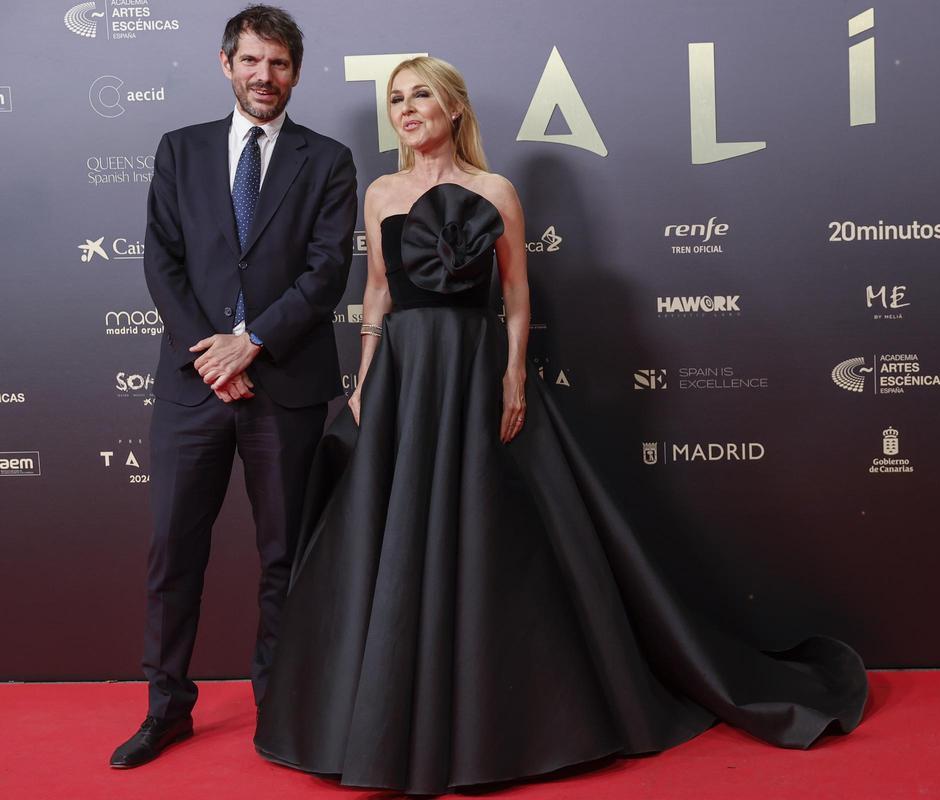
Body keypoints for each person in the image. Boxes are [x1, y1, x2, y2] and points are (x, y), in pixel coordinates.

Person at [253, 56, 867, 794]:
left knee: (493, 532)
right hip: (407, 376)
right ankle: (389, 709)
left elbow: (515, 292)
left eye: (421, 96)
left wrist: (513, 375)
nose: (406, 109)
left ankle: (504, 717)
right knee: (392, 529)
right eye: (396, 99)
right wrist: (365, 374)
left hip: (477, 370)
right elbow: (377, 291)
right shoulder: (380, 191)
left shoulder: (495, 191)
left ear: (454, 109)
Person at [109, 5, 357, 769]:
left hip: (283, 385)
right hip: (194, 389)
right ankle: (165, 707)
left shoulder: (329, 159)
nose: (265, 77)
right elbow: (162, 262)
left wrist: (249, 344)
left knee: (285, 556)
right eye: (252, 61)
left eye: (280, 64)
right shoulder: (178, 151)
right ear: (227, 64)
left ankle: (278, 706)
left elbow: (326, 274)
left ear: (296, 71)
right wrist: (212, 358)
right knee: (172, 552)